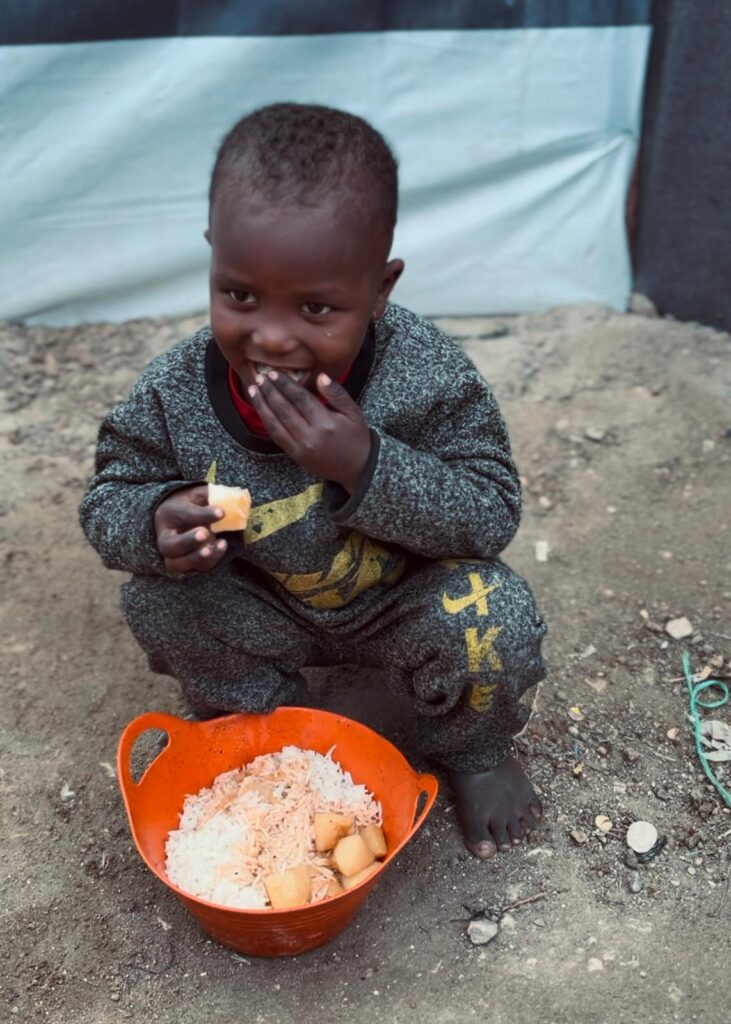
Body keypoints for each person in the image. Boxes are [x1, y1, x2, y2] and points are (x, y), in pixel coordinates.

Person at [79, 103, 547, 860]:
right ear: (212, 260)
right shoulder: (172, 390)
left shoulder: (424, 374)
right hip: (261, 605)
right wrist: (153, 520)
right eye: (239, 295)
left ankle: (474, 751)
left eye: (317, 308)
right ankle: (257, 726)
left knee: (494, 613)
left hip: (399, 603)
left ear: (381, 287)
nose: (269, 335)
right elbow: (111, 493)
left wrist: (366, 464)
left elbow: (490, 513)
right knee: (154, 596)